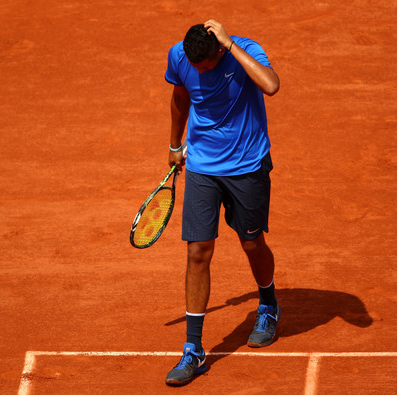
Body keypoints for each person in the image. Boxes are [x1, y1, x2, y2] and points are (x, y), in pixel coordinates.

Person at [164, 20, 281, 386]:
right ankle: (193, 348)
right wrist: (173, 145)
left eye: (206, 66)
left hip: (247, 166)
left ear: (218, 50)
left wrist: (231, 45)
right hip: (202, 168)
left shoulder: (243, 50)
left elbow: (271, 85)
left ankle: (268, 306)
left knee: (251, 242)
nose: (199, 72)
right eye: (194, 66)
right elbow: (181, 97)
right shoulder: (181, 56)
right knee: (197, 251)